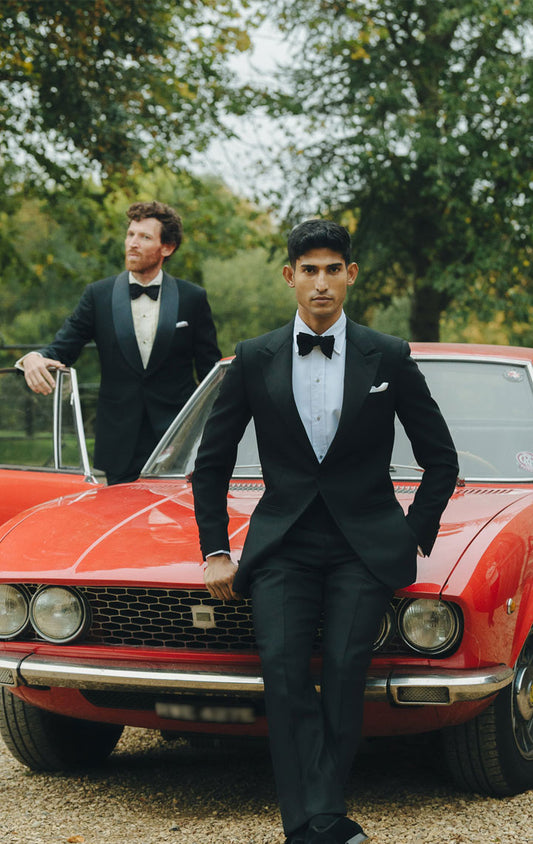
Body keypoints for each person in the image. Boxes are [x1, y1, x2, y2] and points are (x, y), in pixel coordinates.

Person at [192, 220, 458, 844]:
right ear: (290, 277)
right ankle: (323, 823)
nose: (320, 283)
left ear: (350, 275)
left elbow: (440, 457)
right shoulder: (254, 356)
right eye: (307, 270)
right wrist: (213, 548)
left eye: (331, 269)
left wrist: (413, 533)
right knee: (283, 670)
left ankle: (313, 825)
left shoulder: (387, 354)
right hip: (282, 543)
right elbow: (212, 462)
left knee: (343, 673)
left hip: (363, 546)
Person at [19, 200, 221, 485]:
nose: (133, 243)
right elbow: (62, 349)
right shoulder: (97, 296)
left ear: (167, 247)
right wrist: (33, 357)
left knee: (176, 527)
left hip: (177, 445)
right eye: (130, 235)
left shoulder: (193, 298)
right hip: (119, 445)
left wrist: (205, 437)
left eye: (144, 237)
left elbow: (210, 376)